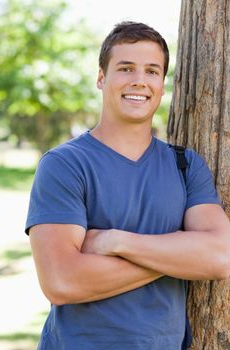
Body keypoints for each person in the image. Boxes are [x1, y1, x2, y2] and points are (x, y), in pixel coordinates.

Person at [25, 21, 230, 350]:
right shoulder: (64, 165)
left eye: (152, 71)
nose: (139, 80)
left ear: (162, 85)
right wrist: (180, 254)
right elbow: (61, 281)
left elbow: (220, 257)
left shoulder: (186, 165)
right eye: (126, 68)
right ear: (101, 78)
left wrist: (115, 241)